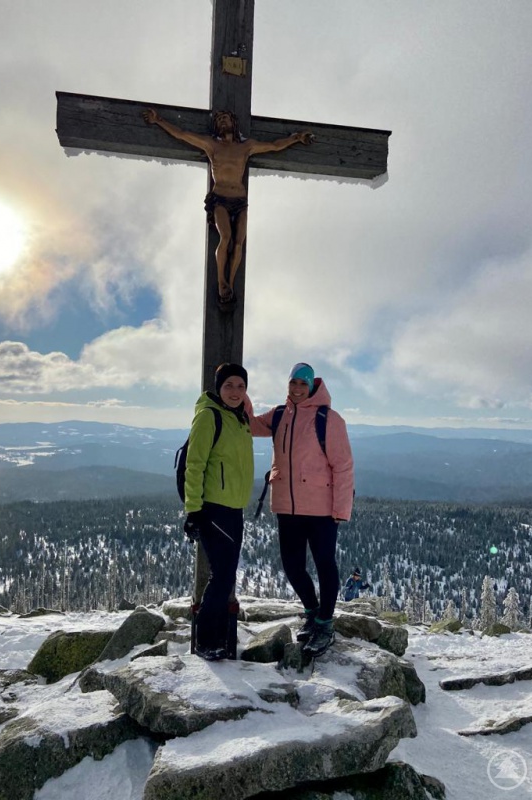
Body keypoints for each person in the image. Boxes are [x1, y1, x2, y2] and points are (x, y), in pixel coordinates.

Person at [143, 108, 313, 305]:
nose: (223, 123)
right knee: (226, 237)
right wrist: (159, 120)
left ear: (233, 123)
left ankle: (231, 282)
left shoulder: (246, 147)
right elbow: (182, 134)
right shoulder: (212, 145)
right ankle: (221, 281)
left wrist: (297, 138)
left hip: (240, 201)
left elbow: (274, 146)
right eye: (220, 120)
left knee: (239, 243)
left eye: (226, 119)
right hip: (220, 199)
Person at [247, 363, 354, 657]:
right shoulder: (280, 414)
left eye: (302, 384)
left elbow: (343, 467)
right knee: (292, 565)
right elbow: (252, 425)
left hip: (322, 510)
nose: (296, 389)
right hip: (288, 506)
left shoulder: (329, 419)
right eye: (293, 383)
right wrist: (240, 394)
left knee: (324, 565)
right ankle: (312, 610)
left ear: (312, 386)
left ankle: (326, 623)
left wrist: (341, 510)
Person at [183, 363, 254, 661]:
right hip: (214, 508)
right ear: (218, 388)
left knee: (226, 573)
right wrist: (194, 510)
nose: (235, 392)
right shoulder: (209, 416)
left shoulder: (238, 418)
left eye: (240, 386)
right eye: (229, 386)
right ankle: (207, 640)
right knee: (223, 575)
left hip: (234, 508)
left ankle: (215, 637)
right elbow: (194, 463)